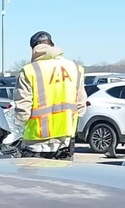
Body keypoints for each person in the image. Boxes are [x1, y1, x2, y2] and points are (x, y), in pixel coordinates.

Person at [12, 31, 85, 159]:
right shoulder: (75, 68)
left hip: (36, 144)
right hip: (65, 143)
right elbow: (81, 107)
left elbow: (22, 114)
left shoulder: (29, 71)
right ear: (52, 45)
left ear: (32, 49)